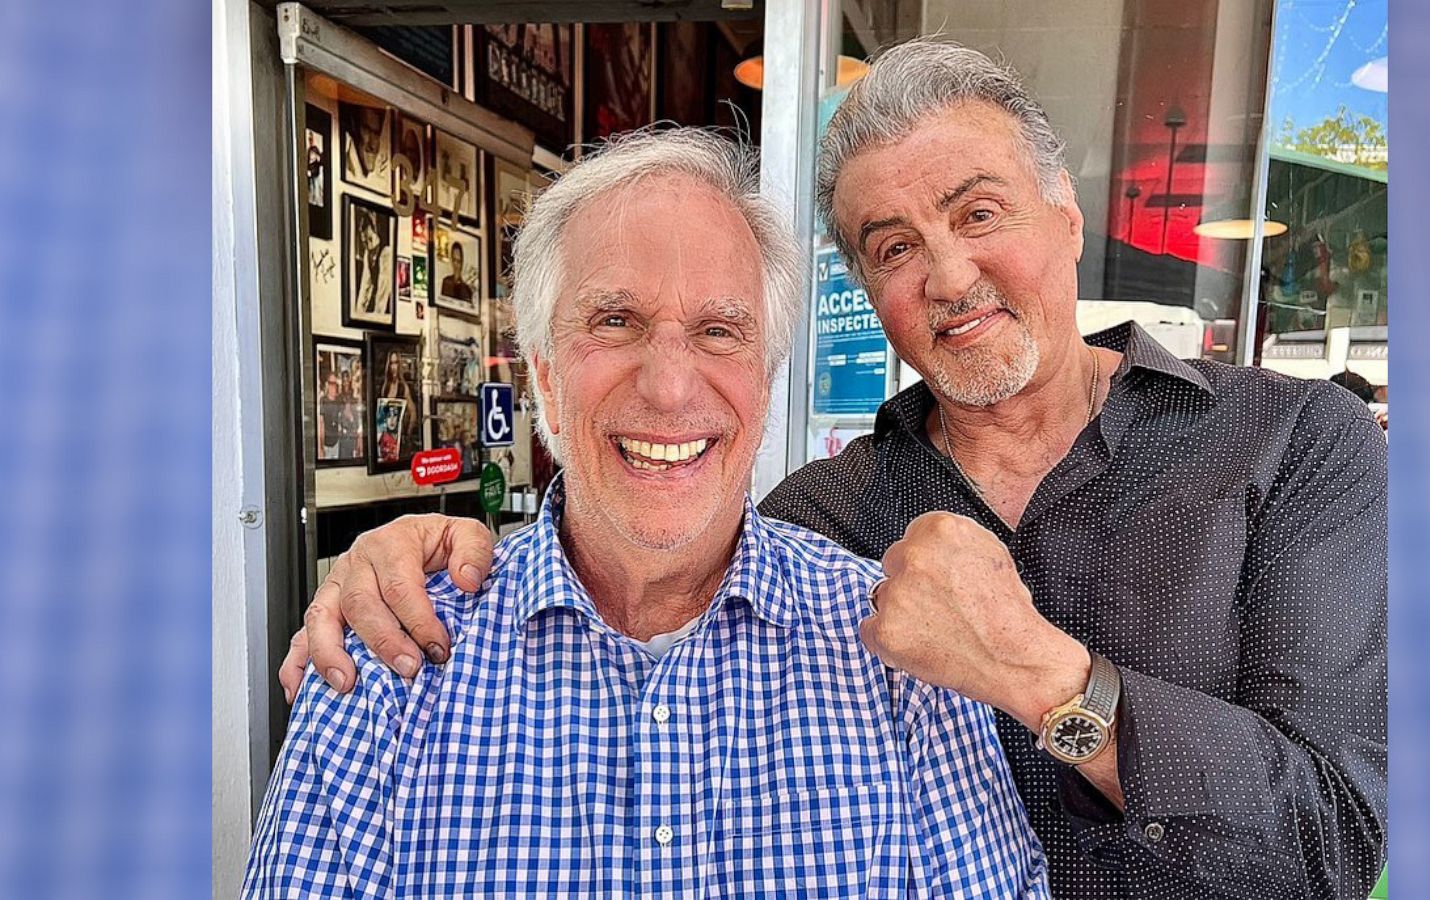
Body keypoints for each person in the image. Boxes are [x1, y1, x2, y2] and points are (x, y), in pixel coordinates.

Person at [284, 41, 1387, 899]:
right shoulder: (827, 521)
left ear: (1065, 213)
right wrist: (415, 551)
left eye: (979, 212)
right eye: (893, 246)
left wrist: (1045, 680)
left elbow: (1331, 848)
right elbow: (648, 544)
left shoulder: (1292, 445)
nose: (948, 273)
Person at [245, 129, 1049, 897]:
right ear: (546, 374)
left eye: (718, 330)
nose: (669, 387)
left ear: (764, 388)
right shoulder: (390, 669)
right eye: (615, 321)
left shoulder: (901, 662)